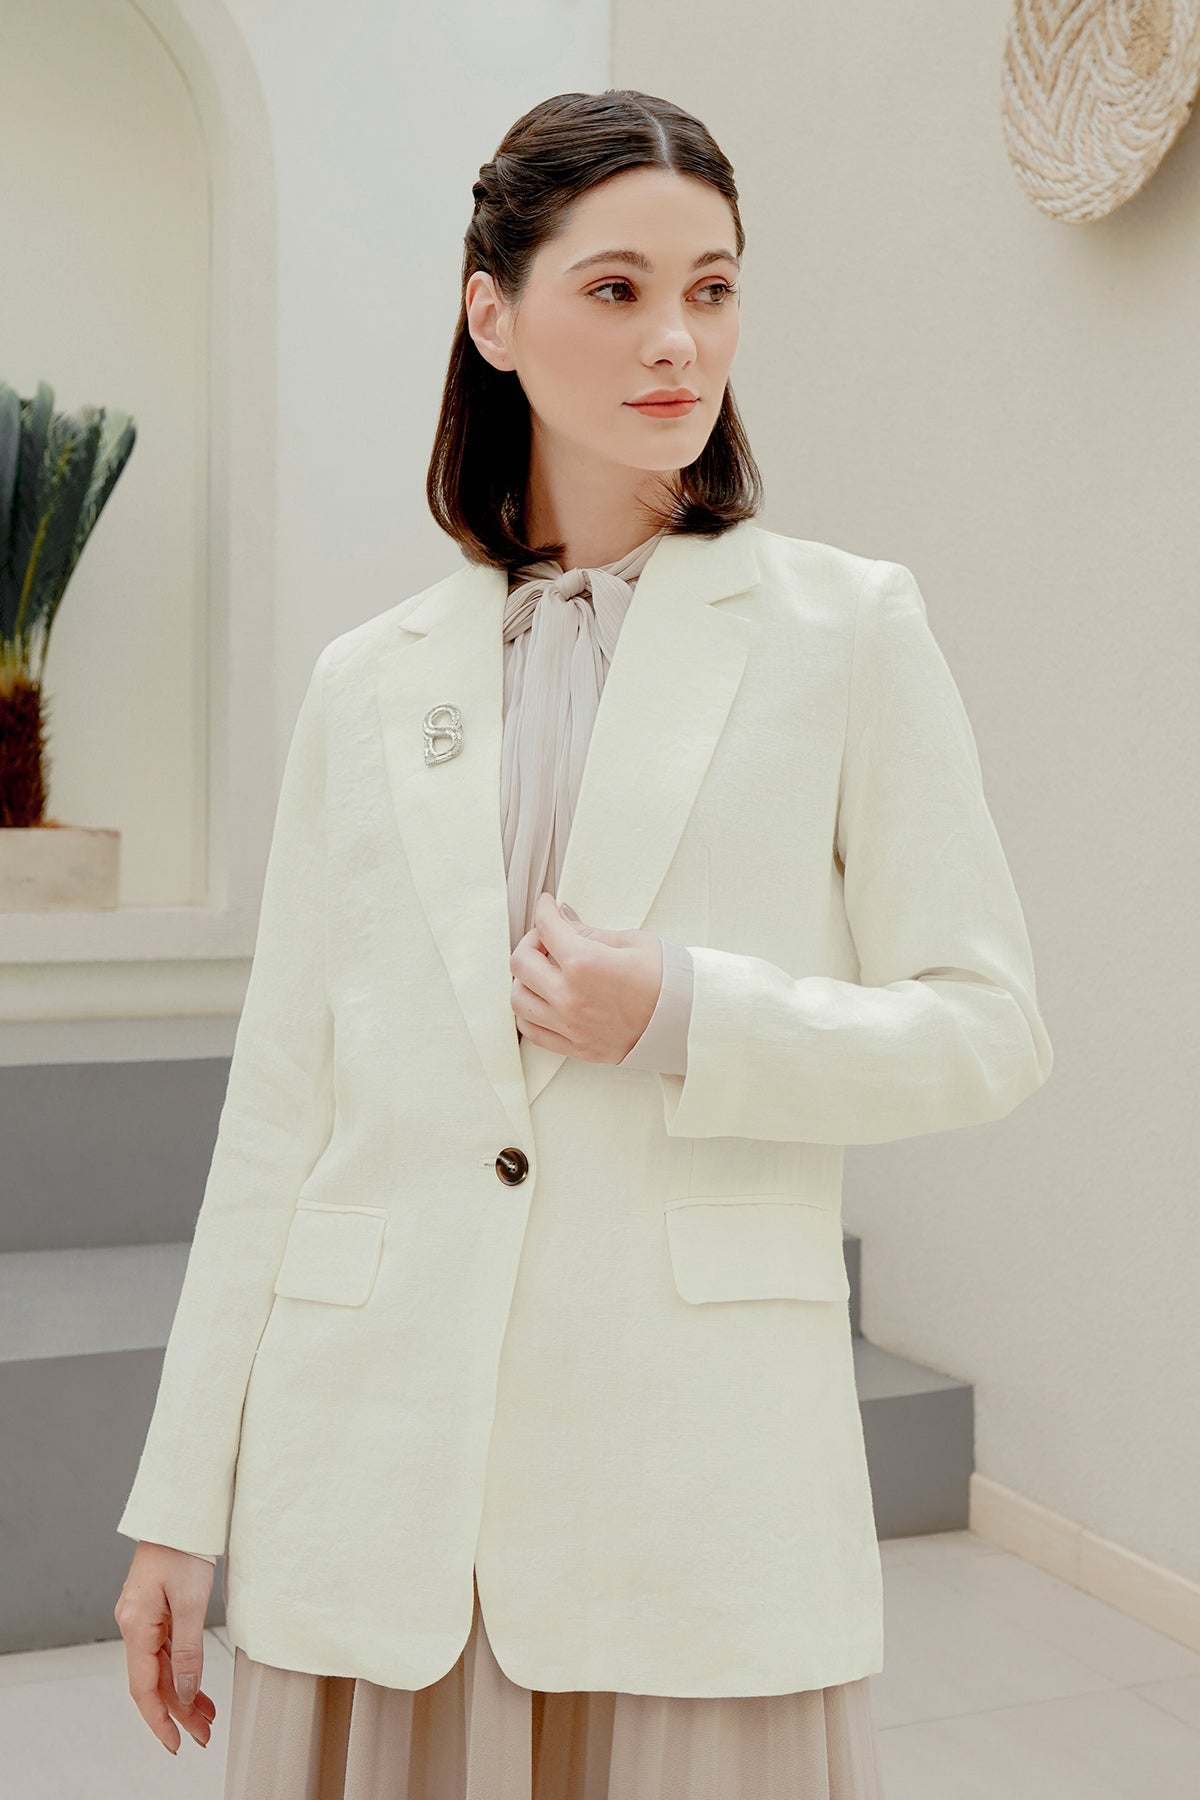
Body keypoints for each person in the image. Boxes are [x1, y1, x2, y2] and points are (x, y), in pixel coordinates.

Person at [113, 88, 1053, 1799]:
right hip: (377, 1470)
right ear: (493, 314)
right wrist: (179, 1506)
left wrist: (685, 1010)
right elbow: (280, 1112)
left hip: (684, 1475)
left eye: (714, 288)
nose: (677, 339)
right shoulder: (366, 680)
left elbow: (986, 1027)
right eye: (617, 289)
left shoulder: (846, 629)